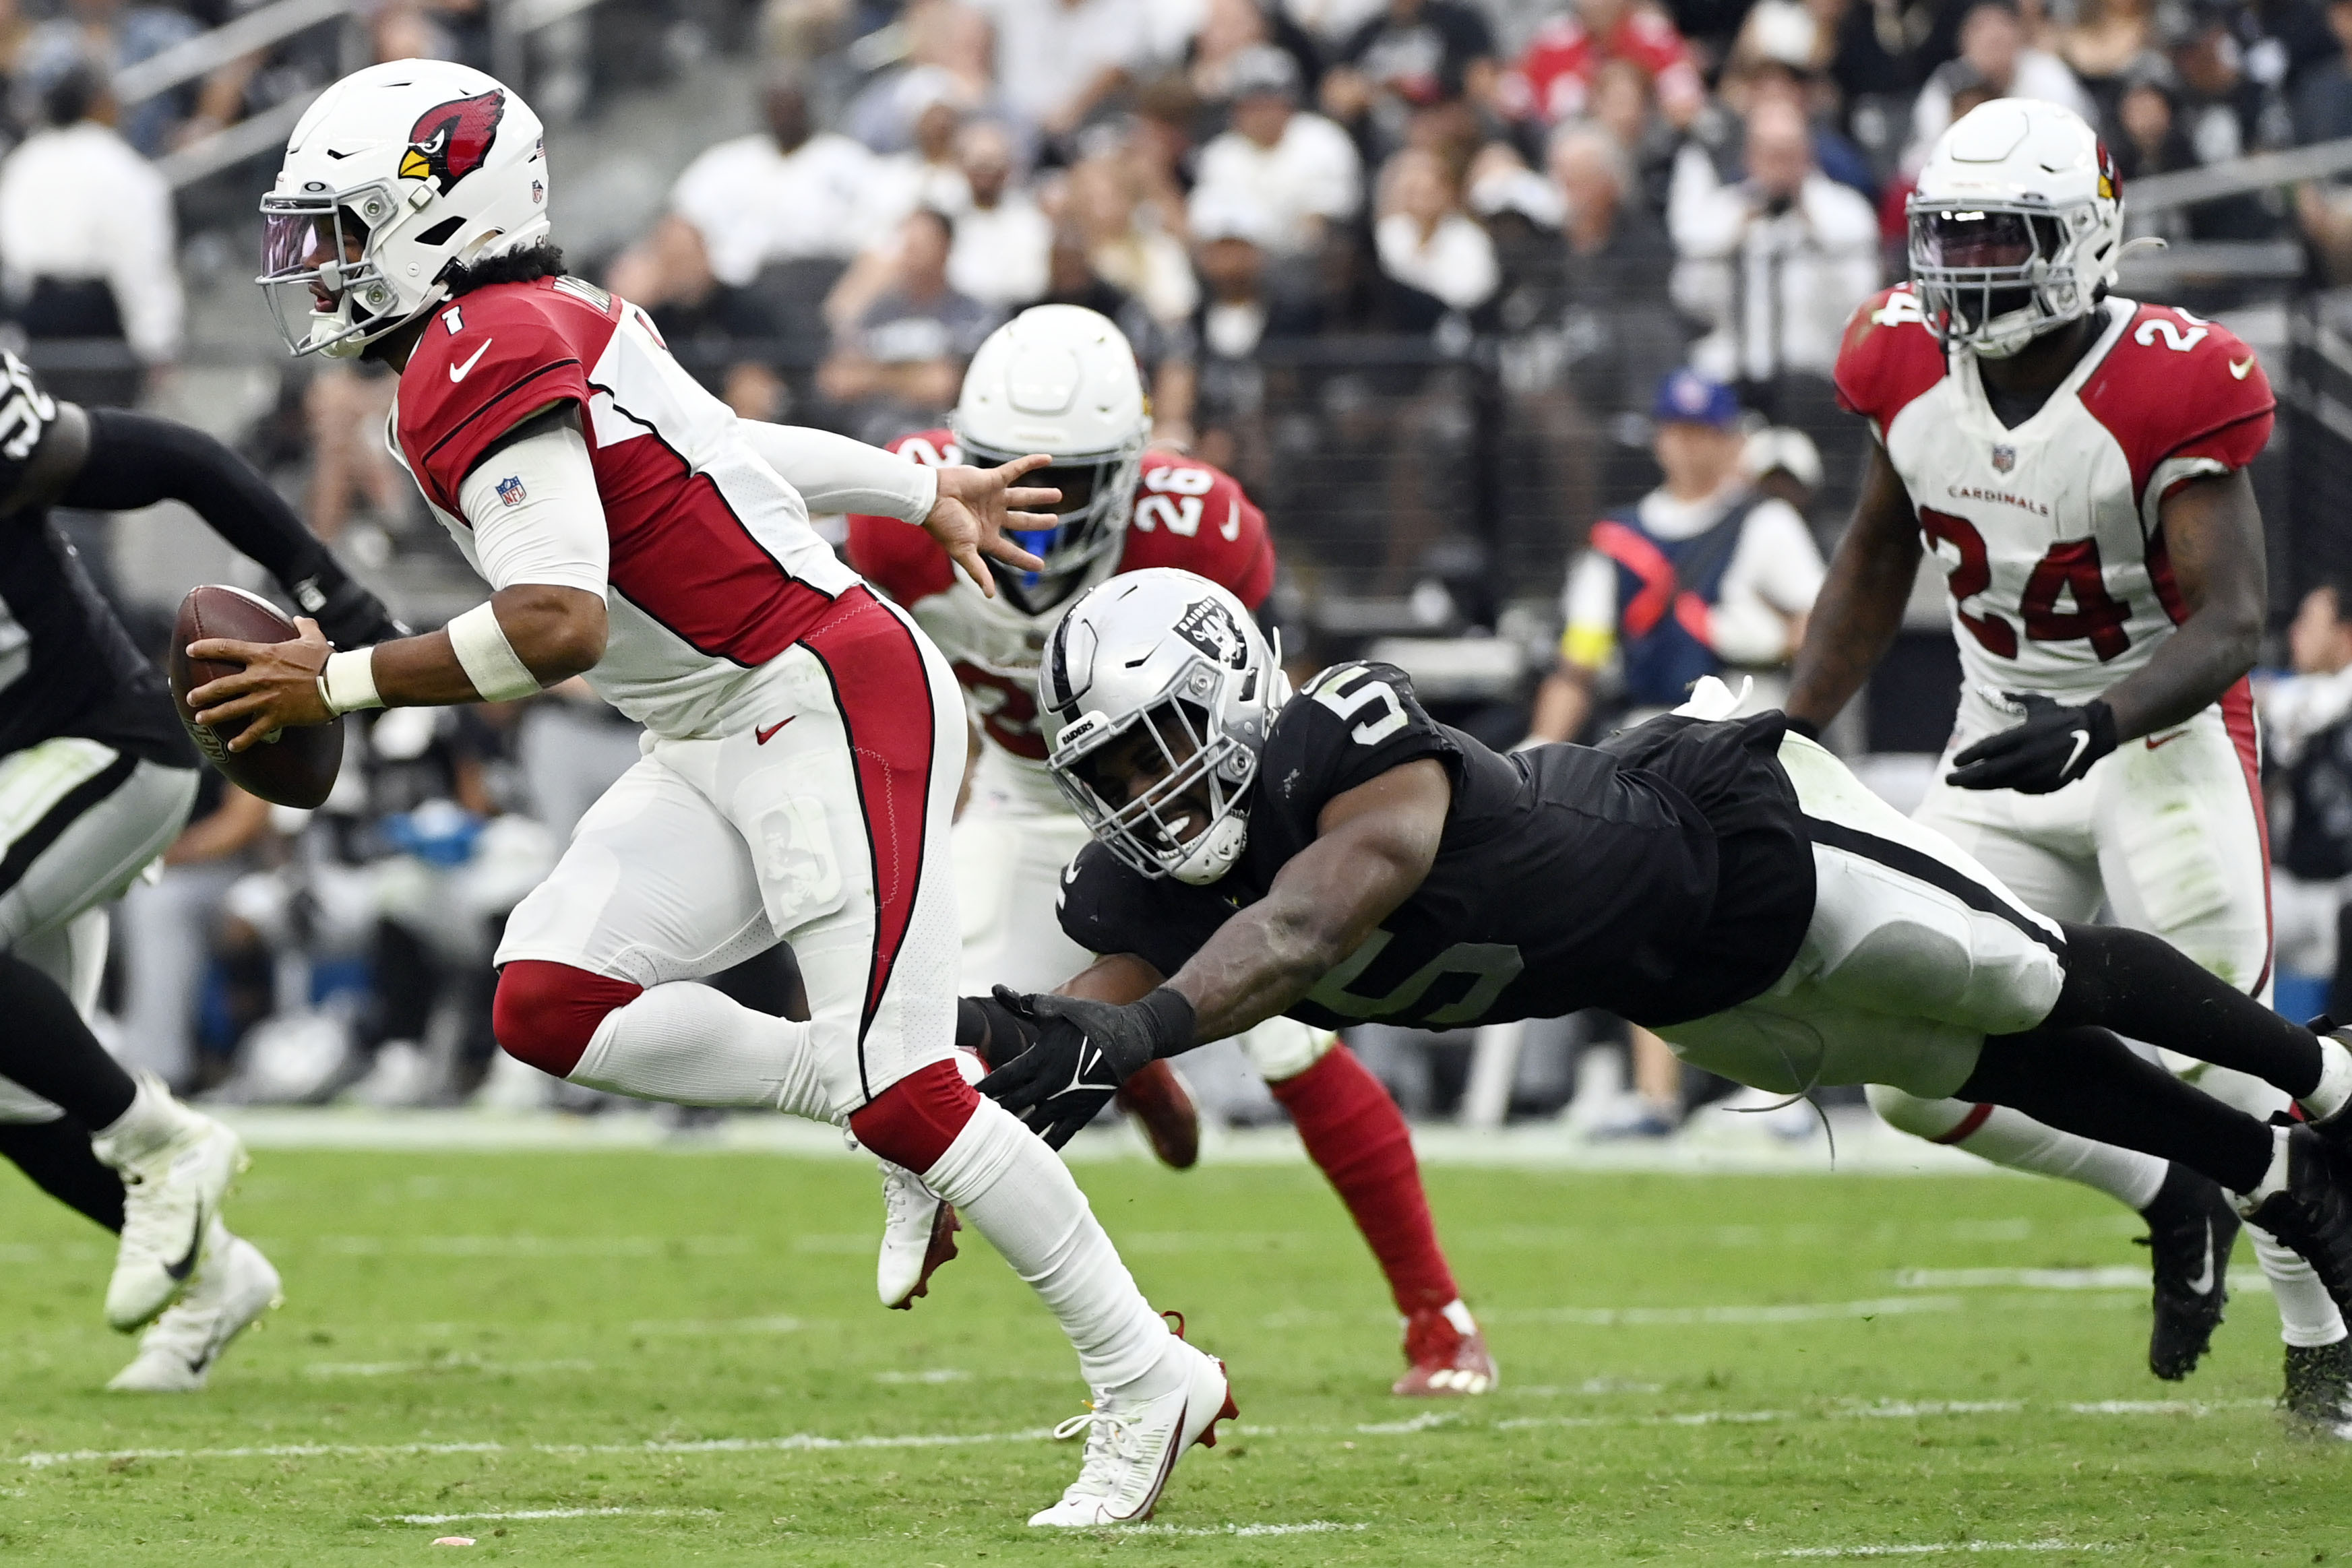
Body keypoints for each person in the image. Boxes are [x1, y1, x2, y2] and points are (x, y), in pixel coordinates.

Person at [229, 61, 1233, 1526]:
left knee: (907, 1093)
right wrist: (915, 489)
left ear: (436, 217)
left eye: (342, 226)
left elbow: (559, 620)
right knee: (548, 998)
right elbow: (731, 452)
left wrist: (341, 681)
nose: (316, 264)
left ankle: (1146, 1371)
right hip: (713, 720)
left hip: (819, 696)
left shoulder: (482, 347)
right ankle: (873, 1077)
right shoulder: (543, 323)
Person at [979, 567, 2352, 1369]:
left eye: (1157, 743)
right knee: (1973, 1062)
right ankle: (2254, 1176)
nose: (1143, 792)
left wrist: (1135, 1032)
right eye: (1109, 770)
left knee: (2022, 978)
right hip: (1678, 986)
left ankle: (2325, 1077)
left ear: (1229, 695)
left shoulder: (1337, 734)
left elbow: (1305, 926)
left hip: (1726, 828)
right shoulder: (1138, 878)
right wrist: (1001, 1068)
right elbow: (1098, 1005)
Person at [1781, 98, 2352, 1426]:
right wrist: (1790, 720)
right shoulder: (1896, 359)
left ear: (2084, 239)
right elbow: (1874, 552)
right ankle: (2166, 1186)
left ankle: (2321, 1335)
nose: (1967, 267)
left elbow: (2229, 619)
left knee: (2225, 1062)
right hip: (1996, 736)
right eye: (1950, 237)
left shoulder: (2168, 377)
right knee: (1910, 1071)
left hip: (2153, 734)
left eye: (2002, 237)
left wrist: (2096, 721)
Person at [846, 305, 1495, 1398]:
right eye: (1003, 475)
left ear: (1135, 471)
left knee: (1289, 1035)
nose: (1036, 515)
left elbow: (1258, 709)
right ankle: (1145, 1338)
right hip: (1019, 792)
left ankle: (1439, 1315)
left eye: (1069, 484)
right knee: (951, 1084)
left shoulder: (1202, 530)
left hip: (1182, 806)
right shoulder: (896, 517)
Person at [0, 346, 403, 1390]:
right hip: (23, 780)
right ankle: (221, 1275)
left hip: (103, 746)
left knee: (77, 1093)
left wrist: (335, 593)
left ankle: (163, 1139)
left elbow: (179, 457)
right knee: (21, 1091)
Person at [1526, 369, 1824, 747]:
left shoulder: (1767, 521)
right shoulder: (1618, 540)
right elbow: (1578, 665)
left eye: (1703, 432)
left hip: (1746, 725)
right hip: (1647, 729)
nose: (1689, 446)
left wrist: (1772, 643)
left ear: (1732, 441)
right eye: (1677, 431)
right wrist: (1538, 747)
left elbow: (1821, 625)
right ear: (1658, 438)